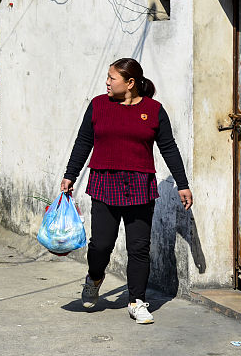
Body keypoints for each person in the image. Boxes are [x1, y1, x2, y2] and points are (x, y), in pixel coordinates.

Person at [60, 58, 192, 324]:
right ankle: (94, 278)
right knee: (101, 246)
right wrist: (69, 175)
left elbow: (169, 147)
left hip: (140, 186)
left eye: (112, 78)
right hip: (104, 183)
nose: (107, 82)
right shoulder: (98, 105)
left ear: (130, 83)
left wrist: (183, 183)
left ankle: (137, 301)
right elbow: (84, 141)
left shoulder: (154, 110)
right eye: (108, 77)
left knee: (139, 248)